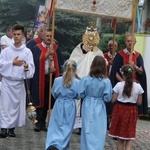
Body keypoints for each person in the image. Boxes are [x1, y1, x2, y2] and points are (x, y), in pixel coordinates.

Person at [0, 24, 35, 138]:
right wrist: (12, 63)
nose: (16, 36)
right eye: (14, 34)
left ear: (23, 36)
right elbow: (1, 65)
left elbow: (31, 68)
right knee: (5, 105)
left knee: (16, 106)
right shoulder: (6, 51)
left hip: (19, 83)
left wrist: (26, 66)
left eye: (18, 34)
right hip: (7, 82)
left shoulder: (27, 52)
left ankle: (11, 128)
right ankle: (3, 128)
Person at [78, 56, 112, 150]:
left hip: (88, 104)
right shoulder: (106, 81)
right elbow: (107, 98)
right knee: (99, 129)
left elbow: (80, 94)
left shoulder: (85, 79)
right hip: (99, 105)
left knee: (87, 129)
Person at [109, 33, 148, 116]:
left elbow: (141, 72)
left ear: (135, 42)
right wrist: (123, 82)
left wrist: (135, 66)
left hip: (134, 86)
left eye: (132, 41)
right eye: (128, 41)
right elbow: (114, 72)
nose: (130, 43)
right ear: (125, 42)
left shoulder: (138, 56)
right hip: (122, 86)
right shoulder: (119, 55)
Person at [45, 60, 80, 150]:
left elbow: (54, 93)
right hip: (70, 106)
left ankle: (54, 143)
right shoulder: (77, 82)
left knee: (56, 126)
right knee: (67, 127)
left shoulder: (57, 80)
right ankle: (61, 145)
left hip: (59, 104)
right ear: (75, 70)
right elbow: (78, 95)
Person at [30, 28, 59, 132]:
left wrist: (54, 69)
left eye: (51, 36)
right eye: (47, 36)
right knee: (40, 101)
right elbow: (35, 62)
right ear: (43, 36)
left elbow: (58, 63)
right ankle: (38, 122)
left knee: (47, 101)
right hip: (39, 78)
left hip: (49, 78)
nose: (49, 38)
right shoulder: (37, 48)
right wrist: (46, 56)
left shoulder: (54, 48)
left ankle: (43, 122)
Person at [108, 64, 144, 150]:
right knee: (129, 137)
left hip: (119, 110)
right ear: (133, 74)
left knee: (120, 138)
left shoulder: (119, 85)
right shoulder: (138, 86)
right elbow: (139, 102)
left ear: (122, 74)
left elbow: (113, 100)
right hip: (131, 111)